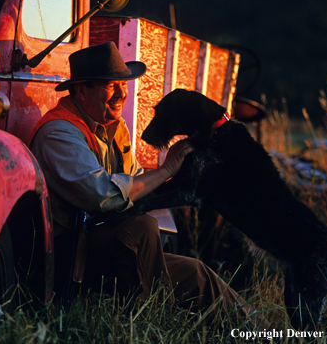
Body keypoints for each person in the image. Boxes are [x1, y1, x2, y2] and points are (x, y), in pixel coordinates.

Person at [29, 42, 267, 326]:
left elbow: (137, 182)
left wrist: (191, 176)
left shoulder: (112, 127)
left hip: (103, 241)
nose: (121, 94)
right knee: (141, 228)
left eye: (123, 84)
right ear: (80, 90)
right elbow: (104, 196)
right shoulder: (59, 133)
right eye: (109, 85)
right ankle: (155, 319)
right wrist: (167, 168)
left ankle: (261, 332)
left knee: (197, 274)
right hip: (71, 254)